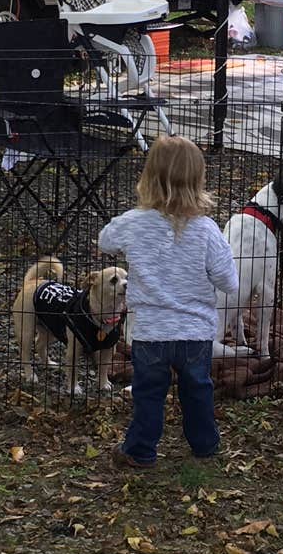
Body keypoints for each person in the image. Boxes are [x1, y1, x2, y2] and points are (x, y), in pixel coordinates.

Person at [99, 135, 239, 469]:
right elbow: (229, 282)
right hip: (195, 332)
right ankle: (205, 444)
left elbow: (105, 240)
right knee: (198, 389)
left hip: (150, 332)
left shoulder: (133, 222)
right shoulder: (207, 230)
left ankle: (140, 450)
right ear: (197, 180)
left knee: (149, 393)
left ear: (149, 178)